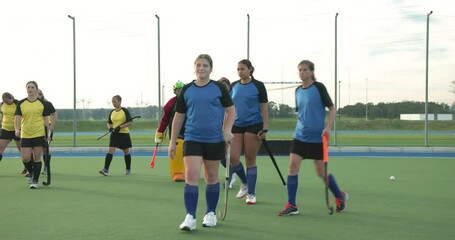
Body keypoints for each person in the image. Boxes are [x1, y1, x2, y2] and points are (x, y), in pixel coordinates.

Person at [168, 54, 235, 231]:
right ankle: (190, 216)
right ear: (195, 68)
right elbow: (178, 117)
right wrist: (172, 142)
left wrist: (227, 130)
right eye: (198, 65)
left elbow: (231, 111)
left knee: (211, 177)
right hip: (192, 138)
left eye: (205, 65)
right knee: (191, 176)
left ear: (210, 68)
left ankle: (210, 214)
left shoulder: (219, 88)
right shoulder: (187, 90)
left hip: (214, 140)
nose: (201, 68)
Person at [278, 60, 347, 216]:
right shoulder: (297, 91)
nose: (302, 72)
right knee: (292, 167)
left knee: (321, 172)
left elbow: (331, 109)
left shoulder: (319, 87)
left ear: (311, 71)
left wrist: (328, 128)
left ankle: (339, 195)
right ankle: (292, 204)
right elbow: (302, 112)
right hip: (300, 136)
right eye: (300, 70)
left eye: (305, 70)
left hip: (317, 139)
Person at [229, 59, 269, 205]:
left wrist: (265, 128)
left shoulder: (258, 86)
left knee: (250, 159)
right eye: (238, 69)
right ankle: (245, 183)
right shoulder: (233, 86)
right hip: (236, 124)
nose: (240, 72)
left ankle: (251, 193)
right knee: (233, 158)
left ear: (250, 69)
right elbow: (229, 108)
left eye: (243, 69)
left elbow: (264, 108)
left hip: (254, 125)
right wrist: (225, 127)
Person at [14, 81, 51, 189]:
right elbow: (17, 118)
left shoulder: (42, 103)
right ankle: (32, 172)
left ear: (36, 89)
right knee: (25, 158)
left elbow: (45, 119)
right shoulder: (21, 103)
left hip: (38, 133)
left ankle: (35, 181)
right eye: (28, 87)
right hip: (25, 133)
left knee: (36, 157)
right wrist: (17, 129)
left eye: (32, 87)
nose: (30, 89)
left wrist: (47, 133)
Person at [155, 80, 186, 182]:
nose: (180, 92)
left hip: (190, 131)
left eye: (182, 90)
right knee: (177, 148)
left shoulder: (190, 101)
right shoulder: (171, 103)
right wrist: (160, 132)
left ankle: (188, 171)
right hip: (176, 132)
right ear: (175, 91)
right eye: (178, 90)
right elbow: (164, 120)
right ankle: (177, 172)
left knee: (190, 152)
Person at [99, 95, 133, 176]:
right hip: (114, 135)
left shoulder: (124, 111)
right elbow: (109, 122)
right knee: (110, 151)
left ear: (120, 101)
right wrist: (110, 128)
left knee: (126, 152)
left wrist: (120, 127)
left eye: (115, 101)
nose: (113, 103)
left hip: (124, 134)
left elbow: (130, 122)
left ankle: (128, 169)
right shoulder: (112, 112)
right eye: (112, 102)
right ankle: (105, 169)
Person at [217, 77, 237, 189]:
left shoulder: (232, 98)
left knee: (229, 156)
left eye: (226, 86)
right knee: (222, 158)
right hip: (217, 130)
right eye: (221, 86)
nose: (224, 88)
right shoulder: (216, 98)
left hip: (230, 130)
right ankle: (233, 172)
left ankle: (231, 177)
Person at [37, 89, 57, 175]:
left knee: (45, 149)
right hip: (34, 129)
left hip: (46, 129)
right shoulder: (29, 103)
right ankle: (31, 169)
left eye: (38, 93)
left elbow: (54, 114)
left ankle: (46, 167)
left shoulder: (47, 104)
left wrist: (51, 126)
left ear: (41, 95)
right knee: (33, 150)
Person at [0, 92, 22, 171]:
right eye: (4, 101)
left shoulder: (18, 103)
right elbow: (3, 115)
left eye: (7, 101)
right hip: (5, 129)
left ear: (11, 98)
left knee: (21, 149)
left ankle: (27, 168)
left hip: (17, 130)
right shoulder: (2, 104)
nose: (6, 103)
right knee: (0, 148)